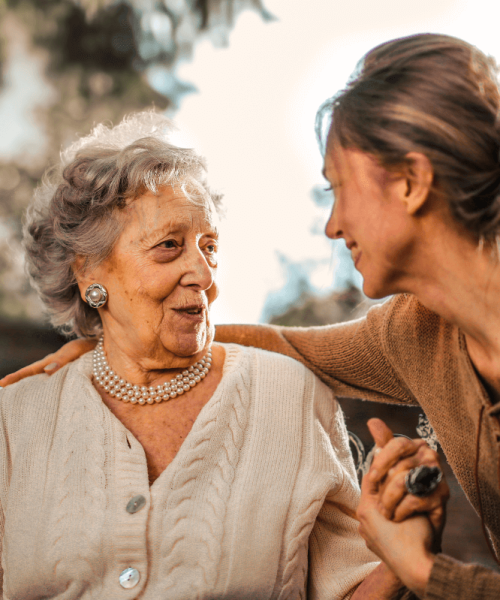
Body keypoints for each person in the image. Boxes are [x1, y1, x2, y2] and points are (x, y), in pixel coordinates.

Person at [13, 32, 500, 598]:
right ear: (87, 270)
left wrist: (421, 572)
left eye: (338, 188)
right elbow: (290, 346)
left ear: (413, 183)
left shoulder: (316, 388)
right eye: (169, 246)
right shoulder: (415, 333)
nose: (333, 225)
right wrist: (114, 342)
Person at [0, 110, 411, 599]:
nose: (203, 272)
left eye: (210, 247)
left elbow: (349, 587)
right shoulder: (14, 419)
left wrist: (399, 563)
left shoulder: (291, 397)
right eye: (170, 246)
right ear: (89, 272)